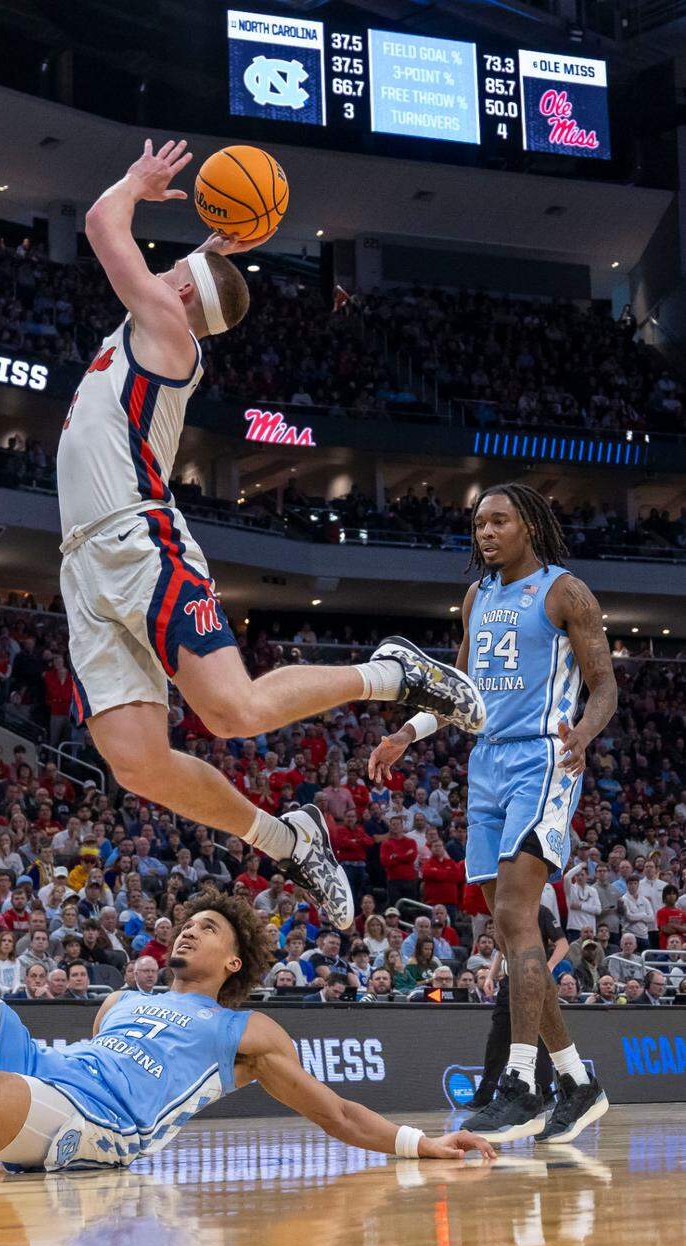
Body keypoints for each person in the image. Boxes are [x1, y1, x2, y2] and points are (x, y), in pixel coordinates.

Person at [53, 140, 485, 931]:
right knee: (135, 760)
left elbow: (100, 224)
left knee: (233, 710)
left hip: (137, 539)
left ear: (179, 295)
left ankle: (386, 674)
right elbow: (201, 265)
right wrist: (224, 238)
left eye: (175, 273)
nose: (166, 271)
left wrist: (136, 183)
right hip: (84, 560)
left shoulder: (168, 335)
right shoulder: (153, 316)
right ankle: (286, 840)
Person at [0, 890, 493, 1177]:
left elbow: (336, 1113)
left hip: (103, 1123)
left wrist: (422, 1144)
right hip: (46, 1071)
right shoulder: (122, 1000)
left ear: (232, 958)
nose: (186, 932)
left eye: (206, 928)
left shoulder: (246, 1029)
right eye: (186, 922)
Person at [371, 484, 616, 1145]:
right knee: (510, 934)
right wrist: (408, 735)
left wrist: (584, 734)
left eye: (499, 520)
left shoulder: (566, 591)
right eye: (478, 521)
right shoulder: (477, 598)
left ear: (528, 525)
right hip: (485, 765)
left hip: (544, 758)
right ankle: (576, 1081)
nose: (486, 531)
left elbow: (605, 684)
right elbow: (459, 691)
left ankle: (522, 1084)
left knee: (515, 915)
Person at [470, 907, 568, 1109]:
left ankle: (544, 1091)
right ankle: (486, 1092)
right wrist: (490, 976)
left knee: (538, 1040)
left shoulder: (541, 912)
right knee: (497, 1040)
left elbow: (562, 944)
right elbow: (502, 950)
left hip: (533, 983)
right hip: (509, 984)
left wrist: (548, 966)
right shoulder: (507, 911)